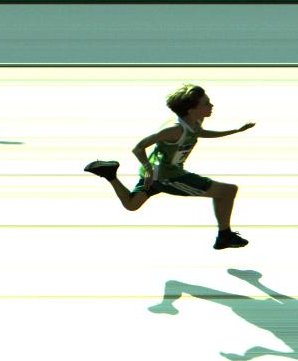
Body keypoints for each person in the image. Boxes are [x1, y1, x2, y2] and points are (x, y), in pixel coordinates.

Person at [83, 84, 254, 250]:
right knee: (228, 191)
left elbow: (199, 133)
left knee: (131, 205)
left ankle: (110, 174)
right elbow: (138, 148)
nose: (211, 105)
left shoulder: (195, 122)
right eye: (206, 103)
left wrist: (235, 131)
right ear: (191, 109)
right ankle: (224, 236)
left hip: (157, 174)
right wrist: (148, 168)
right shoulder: (174, 130)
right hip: (168, 177)